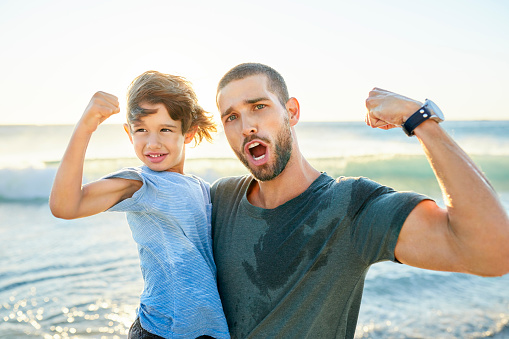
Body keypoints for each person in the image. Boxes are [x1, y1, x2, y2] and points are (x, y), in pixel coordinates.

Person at [210, 63, 509, 338]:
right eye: (232, 117)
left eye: (259, 107)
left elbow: (491, 253)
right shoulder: (219, 200)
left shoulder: (351, 206)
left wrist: (419, 119)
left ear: (291, 112)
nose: (246, 126)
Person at [49, 71, 230, 339]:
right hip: (161, 331)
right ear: (128, 132)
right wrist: (85, 127)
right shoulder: (141, 184)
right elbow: (65, 205)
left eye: (165, 129)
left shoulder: (202, 188)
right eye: (141, 130)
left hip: (207, 330)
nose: (152, 142)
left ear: (188, 132)